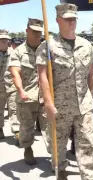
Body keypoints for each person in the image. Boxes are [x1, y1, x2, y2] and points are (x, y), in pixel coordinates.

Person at [36, 4, 93, 179]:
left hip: (84, 104)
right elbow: (43, 77)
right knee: (58, 143)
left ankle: (89, 175)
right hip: (60, 105)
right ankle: (60, 168)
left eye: (74, 19)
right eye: (67, 19)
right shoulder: (48, 47)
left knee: (87, 142)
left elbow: (90, 74)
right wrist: (48, 103)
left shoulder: (86, 45)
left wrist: (90, 96)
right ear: (58, 20)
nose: (72, 22)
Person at [9, 18, 49, 165]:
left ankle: (56, 155)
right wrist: (20, 90)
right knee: (26, 126)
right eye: (34, 31)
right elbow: (15, 73)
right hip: (27, 96)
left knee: (50, 126)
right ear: (27, 31)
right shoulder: (18, 52)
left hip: (45, 96)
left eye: (39, 32)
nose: (38, 34)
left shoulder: (47, 50)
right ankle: (28, 149)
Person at [0, 29, 11, 139]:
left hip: (11, 86)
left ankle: (18, 132)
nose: (4, 41)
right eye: (1, 39)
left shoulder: (13, 53)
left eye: (5, 39)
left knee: (15, 110)